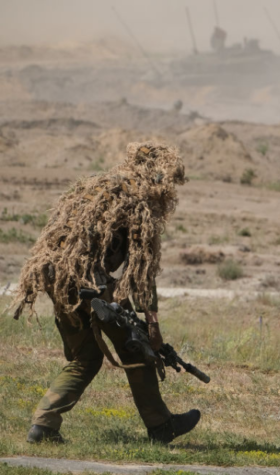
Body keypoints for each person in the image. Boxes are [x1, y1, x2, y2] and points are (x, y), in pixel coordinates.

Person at [12, 142, 200, 444]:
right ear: (156, 177)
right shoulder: (140, 204)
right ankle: (160, 425)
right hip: (90, 284)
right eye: (167, 181)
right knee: (135, 347)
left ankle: (44, 425)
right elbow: (142, 273)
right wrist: (152, 327)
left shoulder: (93, 186)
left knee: (85, 356)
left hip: (55, 277)